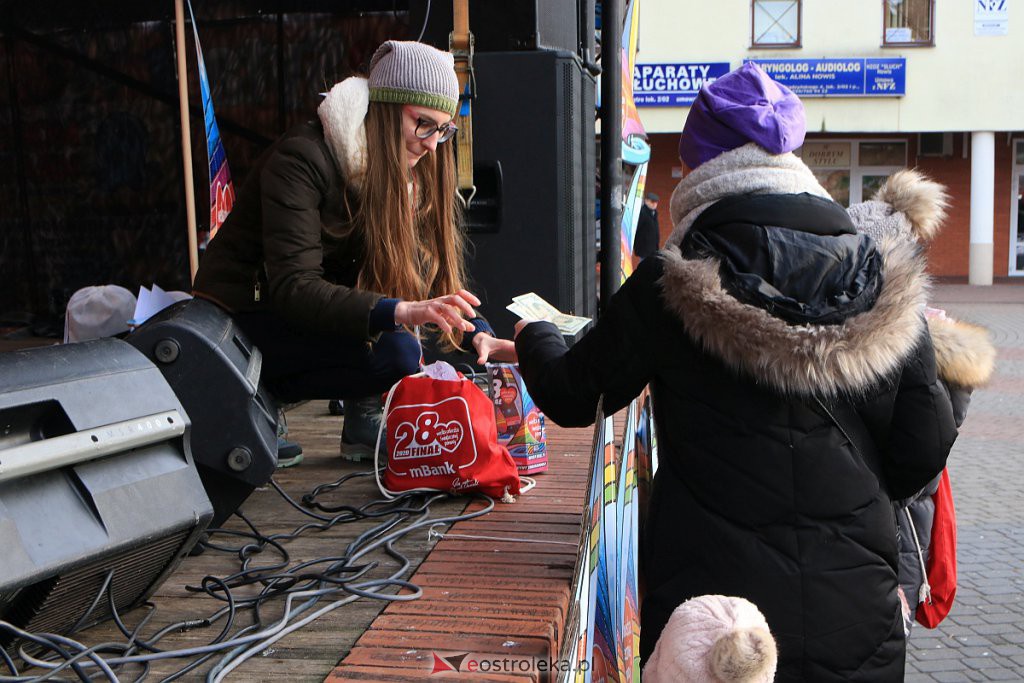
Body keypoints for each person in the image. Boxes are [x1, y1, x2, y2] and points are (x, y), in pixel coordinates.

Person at [513, 62, 957, 681]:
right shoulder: (884, 274)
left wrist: (533, 332)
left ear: (699, 167)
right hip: (857, 614)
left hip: (716, 625)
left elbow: (570, 394)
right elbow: (922, 449)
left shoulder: (672, 280)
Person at [193, 40, 515, 461]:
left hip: (302, 311)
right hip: (238, 319)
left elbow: (427, 275)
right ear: (383, 111)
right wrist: (399, 310)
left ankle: (359, 416)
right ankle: (258, 393)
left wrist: (482, 335)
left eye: (443, 129)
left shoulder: (404, 169)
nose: (433, 144)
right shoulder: (301, 159)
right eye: (423, 124)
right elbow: (296, 287)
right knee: (398, 346)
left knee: (398, 339)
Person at [848, 169, 996, 636]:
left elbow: (920, 467)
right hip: (888, 533)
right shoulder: (854, 344)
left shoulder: (916, 348)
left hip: (896, 534)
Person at [632, 192, 660, 260]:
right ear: (646, 201)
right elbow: (636, 229)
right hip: (644, 249)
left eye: (656, 202)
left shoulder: (654, 213)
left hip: (652, 248)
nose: (655, 204)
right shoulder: (642, 213)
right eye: (652, 202)